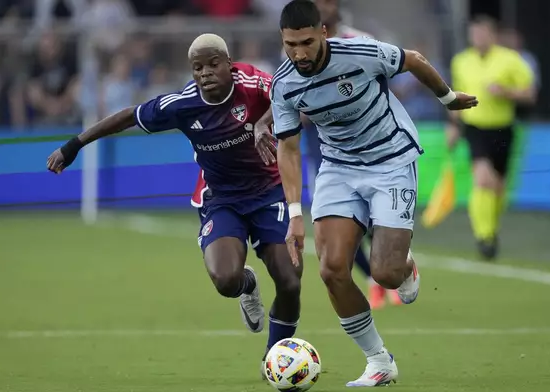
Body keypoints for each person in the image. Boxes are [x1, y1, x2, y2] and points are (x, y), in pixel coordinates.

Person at [46, 33, 303, 373]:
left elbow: (290, 96)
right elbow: (127, 116)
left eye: (213, 64)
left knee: (289, 279)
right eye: (198, 67)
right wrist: (73, 145)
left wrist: (263, 123)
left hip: (268, 191)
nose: (206, 73)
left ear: (229, 64)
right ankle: (247, 285)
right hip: (221, 198)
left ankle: (274, 358)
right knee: (225, 279)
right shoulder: (183, 104)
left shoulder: (253, 82)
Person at [267, 0, 477, 386]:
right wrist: (295, 213)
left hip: (391, 160)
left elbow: (412, 59)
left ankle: (403, 264)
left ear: (323, 33)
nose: (299, 53)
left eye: (307, 42)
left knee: (386, 274)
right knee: (331, 269)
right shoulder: (284, 84)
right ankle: (379, 360)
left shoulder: (360, 53)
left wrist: (447, 98)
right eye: (290, 44)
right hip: (338, 168)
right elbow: (289, 147)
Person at [308, 0, 399, 310]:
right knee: (343, 223)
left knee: (375, 219)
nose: (321, 7)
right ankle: (373, 280)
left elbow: (382, 86)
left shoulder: (360, 42)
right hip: (324, 147)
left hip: (371, 149)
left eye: (326, 1)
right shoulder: (299, 48)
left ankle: (390, 266)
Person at [448, 15, 535, 260]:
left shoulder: (511, 60)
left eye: (482, 33)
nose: (477, 38)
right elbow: (454, 95)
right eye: (474, 34)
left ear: (493, 35)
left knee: (498, 187)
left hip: (502, 128)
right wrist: (453, 125)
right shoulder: (461, 61)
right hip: (474, 127)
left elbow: (530, 94)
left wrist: (506, 91)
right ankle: (484, 236)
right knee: (482, 179)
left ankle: (491, 229)